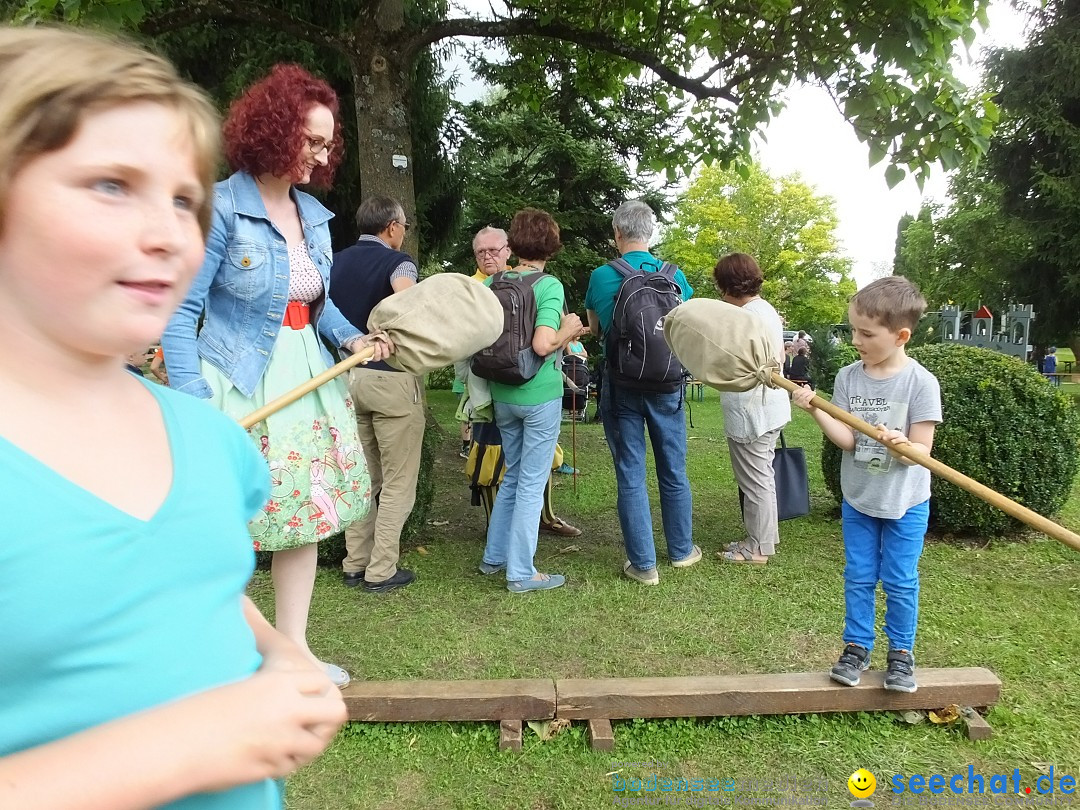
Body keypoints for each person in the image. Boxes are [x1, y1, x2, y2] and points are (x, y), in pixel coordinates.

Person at [0, 26, 345, 808]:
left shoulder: (207, 445)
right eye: (110, 185)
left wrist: (280, 656)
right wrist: (194, 743)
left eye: (183, 199)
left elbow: (203, 584)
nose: (168, 234)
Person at [163, 64, 389, 687]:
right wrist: (192, 400)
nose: (321, 156)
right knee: (222, 524)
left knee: (301, 519)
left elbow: (318, 305)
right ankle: (214, 652)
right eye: (311, 141)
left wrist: (354, 336)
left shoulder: (313, 214)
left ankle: (292, 652)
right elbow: (180, 313)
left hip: (307, 381)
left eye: (327, 143)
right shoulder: (222, 209)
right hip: (235, 378)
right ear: (272, 130)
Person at [791, 276, 942, 694]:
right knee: (859, 574)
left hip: (906, 502)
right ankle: (856, 647)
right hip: (858, 498)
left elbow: (924, 451)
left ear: (901, 335)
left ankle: (901, 656)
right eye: (854, 329)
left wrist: (903, 445)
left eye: (866, 333)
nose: (855, 339)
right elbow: (847, 441)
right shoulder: (849, 378)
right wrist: (816, 410)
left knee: (899, 579)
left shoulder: (920, 383)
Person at [585, 200, 700, 585]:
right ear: (650, 233)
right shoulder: (675, 275)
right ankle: (682, 551)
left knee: (630, 472)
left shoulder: (603, 276)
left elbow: (598, 330)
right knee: (674, 467)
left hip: (623, 385)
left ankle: (643, 565)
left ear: (617, 233)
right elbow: (688, 328)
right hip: (668, 383)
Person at [478, 209, 587, 592]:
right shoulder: (548, 285)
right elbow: (543, 344)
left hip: (502, 390)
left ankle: (494, 557)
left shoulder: (497, 281)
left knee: (514, 474)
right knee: (532, 481)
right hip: (537, 393)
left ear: (514, 244)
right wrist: (568, 330)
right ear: (551, 246)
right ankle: (522, 571)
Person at [329, 196, 422, 594]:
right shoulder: (398, 263)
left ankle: (355, 562)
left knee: (364, 477)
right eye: (404, 226)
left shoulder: (333, 261)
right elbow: (406, 308)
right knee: (399, 480)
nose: (404, 232)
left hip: (346, 379)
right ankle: (382, 568)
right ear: (392, 227)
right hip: (391, 378)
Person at [713, 254, 791, 565]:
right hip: (767, 409)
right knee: (762, 478)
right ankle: (762, 538)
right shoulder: (764, 310)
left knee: (756, 481)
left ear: (728, 286)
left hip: (753, 412)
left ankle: (757, 548)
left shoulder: (747, 316)